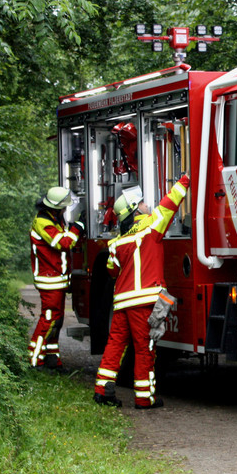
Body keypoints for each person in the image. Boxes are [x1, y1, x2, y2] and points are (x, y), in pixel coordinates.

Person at [94, 175, 190, 409]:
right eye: (143, 203)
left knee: (115, 344)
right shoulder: (151, 226)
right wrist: (187, 179)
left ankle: (103, 390)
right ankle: (144, 398)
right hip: (143, 301)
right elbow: (170, 202)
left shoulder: (116, 243)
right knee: (145, 348)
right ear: (135, 210)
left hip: (121, 302)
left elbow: (112, 270)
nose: (147, 205)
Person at [29, 186, 83, 370]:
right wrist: (78, 227)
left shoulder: (53, 219)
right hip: (49, 280)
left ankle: (52, 359)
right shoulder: (43, 223)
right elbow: (63, 243)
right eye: (64, 207)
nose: (66, 210)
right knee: (49, 319)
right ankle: (35, 359)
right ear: (57, 207)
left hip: (56, 279)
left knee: (56, 321)